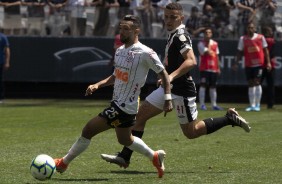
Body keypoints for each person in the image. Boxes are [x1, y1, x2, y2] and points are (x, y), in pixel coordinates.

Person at [100, 2, 251, 169]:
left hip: (182, 90)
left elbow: (192, 61)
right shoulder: (173, 34)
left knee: (191, 132)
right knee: (139, 118)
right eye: (166, 17)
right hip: (169, 88)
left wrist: (169, 77)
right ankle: (124, 157)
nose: (168, 20)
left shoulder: (180, 36)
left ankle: (229, 118)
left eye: (173, 17)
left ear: (182, 18)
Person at [54, 14, 173, 178]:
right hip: (120, 105)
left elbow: (164, 75)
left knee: (88, 130)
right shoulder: (119, 51)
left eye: (126, 29)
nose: (121, 32)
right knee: (126, 140)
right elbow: (116, 75)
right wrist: (98, 85)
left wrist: (167, 99)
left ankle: (63, 163)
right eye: (120, 28)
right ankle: (154, 156)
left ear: (136, 31)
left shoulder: (146, 53)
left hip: (123, 107)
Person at [235, 22, 271, 112]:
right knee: (250, 83)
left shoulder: (260, 37)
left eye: (252, 27)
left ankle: (257, 104)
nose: (250, 29)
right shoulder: (243, 39)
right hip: (248, 64)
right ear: (247, 29)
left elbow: (266, 50)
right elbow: (239, 52)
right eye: (249, 27)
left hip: (259, 64)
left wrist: (269, 63)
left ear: (255, 29)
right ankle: (252, 105)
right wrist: (236, 63)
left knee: (257, 82)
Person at [197, 27, 222, 110]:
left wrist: (218, 68)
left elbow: (217, 56)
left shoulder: (215, 43)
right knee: (203, 85)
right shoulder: (200, 44)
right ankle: (202, 105)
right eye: (206, 33)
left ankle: (214, 105)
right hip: (204, 68)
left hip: (213, 69)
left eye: (209, 32)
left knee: (213, 86)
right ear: (204, 34)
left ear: (211, 34)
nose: (208, 34)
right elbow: (206, 52)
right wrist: (208, 44)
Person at [261, 26, 276, 109]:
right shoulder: (271, 41)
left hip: (261, 65)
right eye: (269, 31)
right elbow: (271, 54)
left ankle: (256, 103)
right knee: (270, 85)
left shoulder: (260, 40)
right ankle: (270, 104)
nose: (271, 32)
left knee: (257, 85)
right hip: (270, 65)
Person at [0, 32, 10, 103]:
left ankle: (1, 98)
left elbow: (7, 50)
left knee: (0, 80)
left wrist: (7, 62)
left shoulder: (2, 37)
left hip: (0, 61)